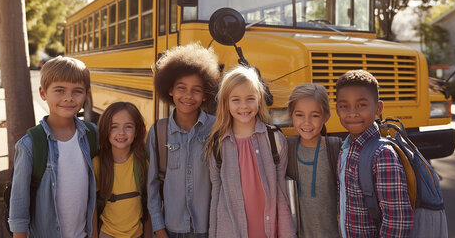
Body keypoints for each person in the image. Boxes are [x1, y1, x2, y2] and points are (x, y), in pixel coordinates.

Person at [8, 56, 98, 238]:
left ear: (86, 95)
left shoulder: (91, 134)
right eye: (59, 90)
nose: (68, 98)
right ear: (43, 93)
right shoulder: (30, 144)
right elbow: (18, 206)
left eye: (77, 91)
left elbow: (93, 193)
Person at [206, 65, 296, 238]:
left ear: (259, 99)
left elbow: (280, 191)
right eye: (236, 100)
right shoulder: (218, 144)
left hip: (267, 229)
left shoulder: (274, 139)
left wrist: (287, 233)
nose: (244, 106)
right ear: (225, 102)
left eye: (250, 98)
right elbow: (216, 194)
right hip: (231, 231)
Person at [146, 43, 220, 238]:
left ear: (205, 95)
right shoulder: (158, 131)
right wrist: (158, 227)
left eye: (196, 90)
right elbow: (152, 184)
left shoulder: (216, 129)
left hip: (209, 227)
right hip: (171, 227)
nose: (188, 95)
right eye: (181, 88)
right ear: (170, 90)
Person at [336, 70, 413, 237]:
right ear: (336, 110)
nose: (352, 113)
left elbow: (398, 221)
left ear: (378, 108)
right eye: (344, 106)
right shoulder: (346, 148)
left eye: (361, 105)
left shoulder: (382, 155)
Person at [285, 83, 341, 238]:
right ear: (291, 115)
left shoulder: (336, 149)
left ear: (326, 117)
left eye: (315, 115)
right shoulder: (286, 149)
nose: (307, 122)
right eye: (299, 115)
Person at [92, 102, 151, 238]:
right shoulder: (98, 164)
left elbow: (148, 203)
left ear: (136, 131)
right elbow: (92, 208)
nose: (121, 133)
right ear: (106, 130)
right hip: (107, 233)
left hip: (137, 234)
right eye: (114, 127)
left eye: (128, 127)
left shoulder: (143, 163)